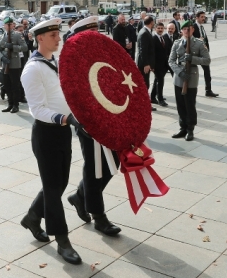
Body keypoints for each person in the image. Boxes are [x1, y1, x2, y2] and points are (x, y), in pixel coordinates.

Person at [20, 17, 84, 265]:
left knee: (60, 183)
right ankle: (63, 240)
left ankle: (32, 217)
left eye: (58, 34)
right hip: (46, 134)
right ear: (40, 39)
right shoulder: (32, 69)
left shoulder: (53, 62)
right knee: (53, 190)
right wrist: (64, 118)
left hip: (63, 130)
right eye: (54, 35)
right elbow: (37, 109)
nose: (59, 38)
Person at [62, 16, 122, 237]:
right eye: (91, 33)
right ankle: (98, 216)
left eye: (97, 32)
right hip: (88, 121)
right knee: (94, 166)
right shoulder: (73, 58)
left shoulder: (102, 53)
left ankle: (80, 195)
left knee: (113, 162)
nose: (97, 36)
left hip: (109, 118)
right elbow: (71, 92)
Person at [169, 20, 211, 140]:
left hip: (191, 76)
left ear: (193, 30)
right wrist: (179, 72)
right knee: (180, 104)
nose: (186, 31)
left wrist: (193, 58)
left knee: (190, 104)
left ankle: (190, 129)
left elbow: (207, 60)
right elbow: (171, 61)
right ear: (181, 30)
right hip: (179, 77)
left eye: (189, 29)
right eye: (184, 29)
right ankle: (182, 128)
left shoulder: (198, 43)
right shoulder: (177, 43)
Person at [0, 17, 28, 113]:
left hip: (15, 64)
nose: (9, 26)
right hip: (5, 64)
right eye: (7, 24)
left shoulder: (17, 35)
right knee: (7, 85)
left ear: (13, 25)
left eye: (11, 24)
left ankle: (15, 105)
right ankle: (9, 104)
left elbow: (24, 47)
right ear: (4, 25)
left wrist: (13, 47)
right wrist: (2, 57)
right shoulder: (1, 36)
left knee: (15, 85)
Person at [192, 10, 218, 98]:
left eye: (204, 17)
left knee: (207, 72)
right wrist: (197, 39)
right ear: (197, 17)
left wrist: (207, 49)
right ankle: (189, 90)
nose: (204, 18)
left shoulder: (202, 27)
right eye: (202, 17)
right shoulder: (193, 26)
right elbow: (189, 38)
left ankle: (208, 90)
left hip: (203, 53)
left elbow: (205, 39)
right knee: (190, 72)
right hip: (195, 53)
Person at [136, 16, 157, 111]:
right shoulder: (144, 33)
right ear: (151, 22)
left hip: (145, 63)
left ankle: (143, 103)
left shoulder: (144, 31)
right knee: (145, 84)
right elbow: (143, 51)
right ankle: (144, 104)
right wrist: (146, 64)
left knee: (145, 83)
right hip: (144, 64)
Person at [150, 22, 170, 106]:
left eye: (162, 28)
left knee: (157, 80)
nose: (160, 30)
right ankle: (160, 98)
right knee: (160, 81)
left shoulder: (164, 38)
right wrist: (152, 65)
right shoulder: (153, 39)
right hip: (156, 65)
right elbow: (151, 53)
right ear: (155, 29)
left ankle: (152, 97)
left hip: (164, 64)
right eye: (158, 28)